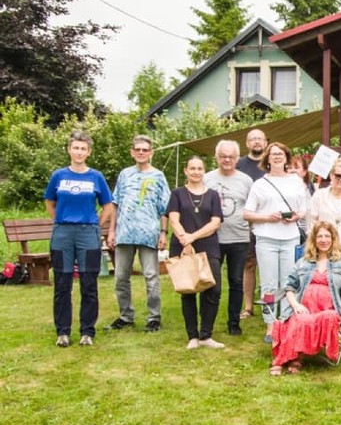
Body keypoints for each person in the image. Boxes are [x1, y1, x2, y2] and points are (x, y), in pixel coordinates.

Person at [44, 130, 114, 347]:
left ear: (89, 152)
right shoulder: (58, 176)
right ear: (69, 150)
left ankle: (87, 332)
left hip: (88, 234)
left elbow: (108, 206)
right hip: (63, 234)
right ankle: (63, 332)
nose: (79, 152)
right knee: (63, 284)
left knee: (89, 284)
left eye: (83, 148)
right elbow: (50, 202)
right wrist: (61, 220)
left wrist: (95, 224)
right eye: (76, 147)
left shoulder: (96, 177)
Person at [269, 222, 341, 375]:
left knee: (329, 317)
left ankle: (294, 358)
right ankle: (290, 360)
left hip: (329, 310)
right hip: (304, 309)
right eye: (320, 236)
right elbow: (289, 287)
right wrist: (295, 305)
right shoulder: (303, 262)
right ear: (314, 239)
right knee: (300, 319)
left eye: (327, 236)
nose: (324, 240)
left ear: (333, 239)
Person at [105, 135, 170, 333]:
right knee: (121, 277)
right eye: (138, 149)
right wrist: (111, 231)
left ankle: (154, 317)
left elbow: (164, 208)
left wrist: (163, 232)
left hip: (148, 233)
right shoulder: (124, 175)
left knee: (151, 276)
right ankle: (126, 316)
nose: (141, 153)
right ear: (132, 152)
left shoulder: (158, 176)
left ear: (151, 153)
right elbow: (115, 204)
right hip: (124, 233)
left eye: (145, 150)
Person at [243, 142, 307, 343]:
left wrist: (296, 216)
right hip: (266, 239)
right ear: (267, 159)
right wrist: (267, 217)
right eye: (273, 154)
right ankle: (270, 324)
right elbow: (247, 213)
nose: (277, 157)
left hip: (290, 238)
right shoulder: (260, 184)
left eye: (281, 154)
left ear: (286, 158)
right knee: (269, 284)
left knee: (288, 283)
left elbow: (305, 208)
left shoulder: (296, 182)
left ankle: (286, 321)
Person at [167, 156, 224, 349]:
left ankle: (206, 335)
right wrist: (185, 240)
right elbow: (174, 219)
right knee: (188, 289)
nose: (196, 172)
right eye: (192, 168)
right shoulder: (177, 193)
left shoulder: (213, 195)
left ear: (204, 171)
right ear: (186, 171)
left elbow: (215, 223)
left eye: (200, 168)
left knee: (213, 289)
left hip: (208, 245)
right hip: (182, 245)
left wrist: (193, 237)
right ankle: (192, 335)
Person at [204, 140, 253, 336]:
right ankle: (208, 322)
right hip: (212, 238)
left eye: (231, 157)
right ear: (216, 157)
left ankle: (234, 323)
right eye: (223, 156)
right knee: (211, 283)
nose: (227, 160)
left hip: (239, 238)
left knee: (236, 281)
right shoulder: (207, 179)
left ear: (237, 158)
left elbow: (252, 207)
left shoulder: (246, 180)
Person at [236, 129, 267, 320]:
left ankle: (269, 303)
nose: (256, 142)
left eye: (260, 139)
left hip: (269, 221)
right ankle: (248, 306)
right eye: (252, 139)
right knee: (248, 264)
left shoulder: (271, 162)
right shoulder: (239, 164)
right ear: (247, 144)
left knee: (269, 264)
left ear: (265, 142)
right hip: (246, 222)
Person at [309, 158, 341, 254]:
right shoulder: (319, 196)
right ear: (331, 176)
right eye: (338, 176)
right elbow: (311, 224)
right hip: (323, 248)